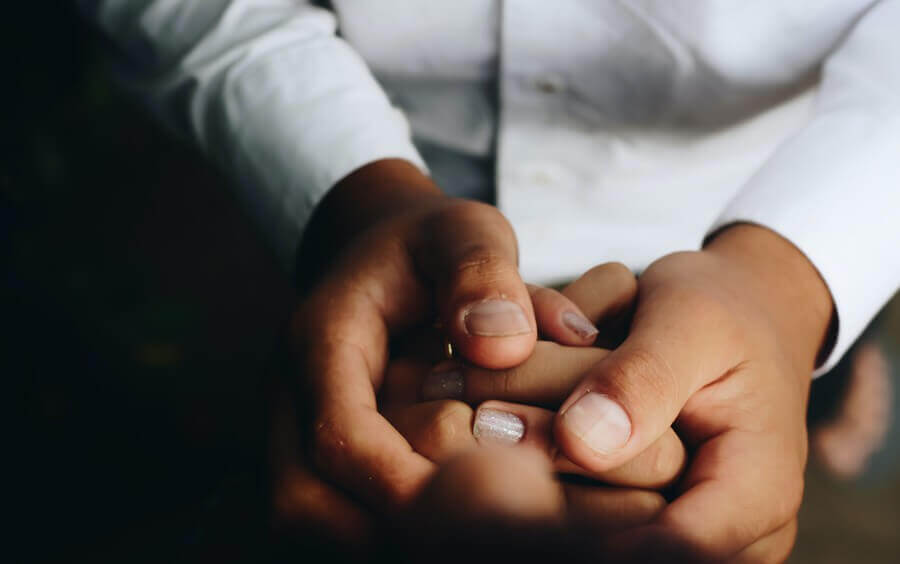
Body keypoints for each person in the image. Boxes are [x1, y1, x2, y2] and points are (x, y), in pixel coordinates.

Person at [81, 1, 900, 560]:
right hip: (355, 185)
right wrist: (354, 203)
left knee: (781, 379)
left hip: (761, 184)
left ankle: (824, 372)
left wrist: (793, 281)